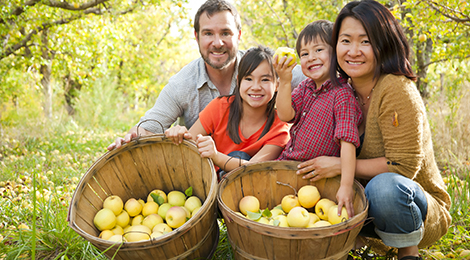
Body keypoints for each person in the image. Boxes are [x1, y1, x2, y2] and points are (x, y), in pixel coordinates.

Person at [295, 1, 452, 259]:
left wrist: (339, 165)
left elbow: (403, 166)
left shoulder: (396, 89)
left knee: (384, 188)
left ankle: (407, 252)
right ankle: (347, 244)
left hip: (409, 203)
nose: (353, 51)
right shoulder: (338, 89)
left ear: (383, 44)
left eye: (365, 42)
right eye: (345, 41)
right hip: (353, 199)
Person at [107, 0, 305, 151]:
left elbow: (316, 81)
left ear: (238, 35)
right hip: (204, 174)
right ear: (197, 36)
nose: (217, 42)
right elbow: (150, 126)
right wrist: (130, 138)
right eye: (208, 33)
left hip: (259, 167)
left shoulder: (264, 66)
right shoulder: (182, 84)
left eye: (226, 33)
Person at [274, 20, 362, 218]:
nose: (311, 58)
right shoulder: (305, 87)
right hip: (289, 164)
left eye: (318, 50)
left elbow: (348, 141)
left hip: (320, 176)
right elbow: (285, 114)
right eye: (304, 54)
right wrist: (285, 81)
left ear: (336, 53)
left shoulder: (342, 94)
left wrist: (346, 186)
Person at [165, 46, 289, 179]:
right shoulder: (220, 108)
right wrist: (178, 135)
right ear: (238, 81)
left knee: (239, 157)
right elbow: (188, 144)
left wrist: (216, 156)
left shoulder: (280, 128)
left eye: (265, 80)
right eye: (248, 79)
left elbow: (253, 168)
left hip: (248, 188)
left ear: (277, 85)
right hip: (207, 180)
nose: (256, 87)